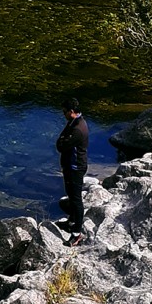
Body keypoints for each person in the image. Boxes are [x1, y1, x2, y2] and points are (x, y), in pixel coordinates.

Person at [55, 96, 89, 247]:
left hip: (75, 167)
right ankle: (72, 221)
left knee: (76, 200)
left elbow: (61, 145)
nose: (63, 114)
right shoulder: (74, 122)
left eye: (65, 112)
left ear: (72, 111)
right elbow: (61, 141)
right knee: (70, 194)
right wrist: (61, 139)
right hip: (70, 166)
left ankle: (76, 234)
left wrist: (62, 140)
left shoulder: (77, 129)